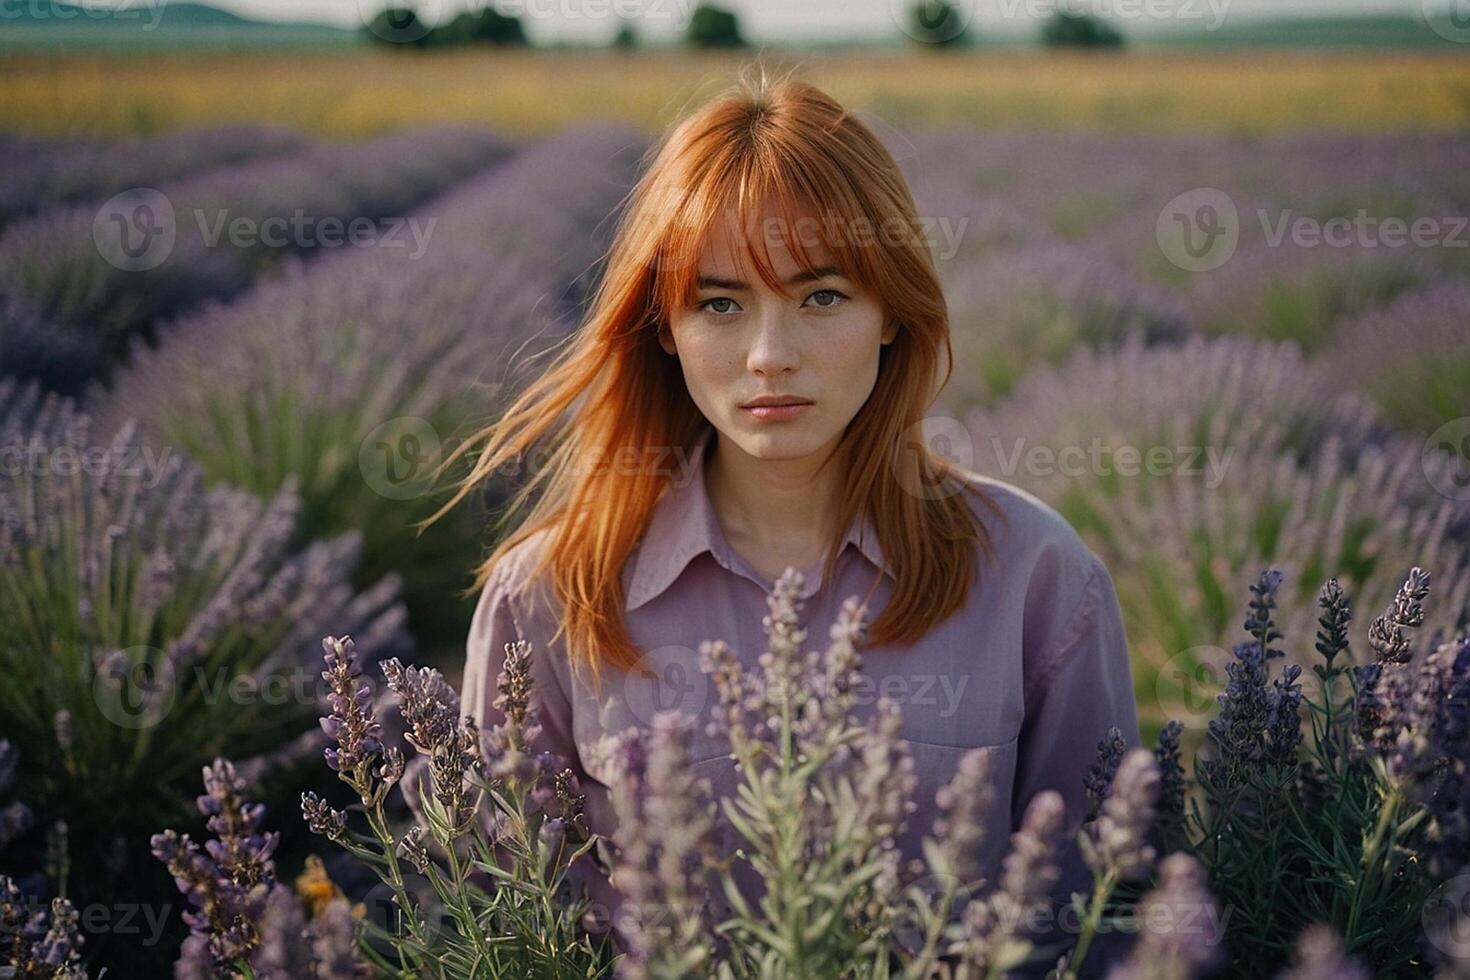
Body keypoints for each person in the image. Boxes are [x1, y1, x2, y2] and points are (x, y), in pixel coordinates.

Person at [426, 68, 1141, 977]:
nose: (770, 356)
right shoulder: (551, 595)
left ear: (893, 315)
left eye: (823, 297)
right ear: (664, 328)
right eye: (719, 304)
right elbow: (509, 933)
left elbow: (1108, 918)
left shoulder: (1037, 577)